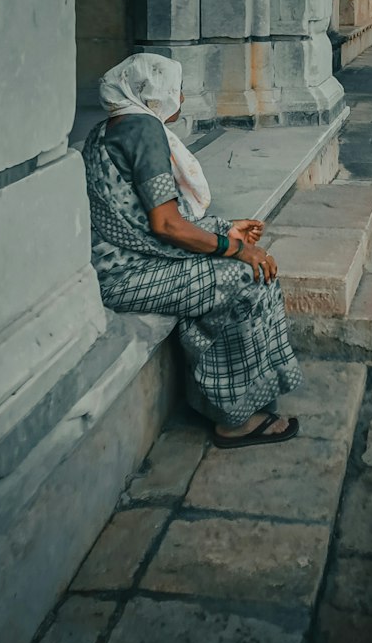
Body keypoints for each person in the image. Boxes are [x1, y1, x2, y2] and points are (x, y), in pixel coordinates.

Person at [82, 53, 302, 448]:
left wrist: (224, 229)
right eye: (174, 89)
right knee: (247, 276)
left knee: (253, 266)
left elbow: (144, 216)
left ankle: (235, 392)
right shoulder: (142, 130)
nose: (180, 97)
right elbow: (165, 225)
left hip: (135, 262)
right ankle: (233, 418)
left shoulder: (110, 128)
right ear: (151, 95)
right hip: (125, 276)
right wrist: (233, 249)